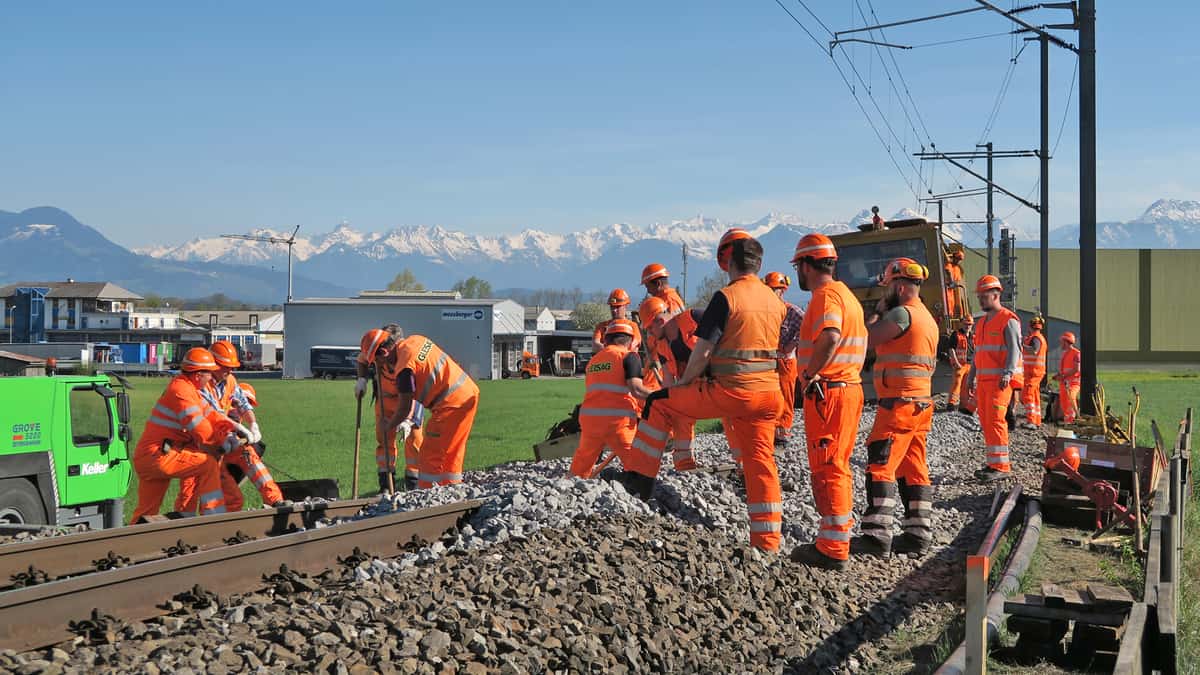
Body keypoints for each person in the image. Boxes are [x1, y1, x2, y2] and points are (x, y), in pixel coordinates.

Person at [631, 229, 786, 552]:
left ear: (728, 263)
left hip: (733, 390)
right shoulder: (774, 300)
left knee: (660, 403)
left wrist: (686, 382)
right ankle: (767, 542)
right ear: (759, 264)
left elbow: (702, 351)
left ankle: (638, 481)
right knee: (760, 462)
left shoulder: (726, 298)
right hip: (769, 393)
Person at [788, 233, 868, 570]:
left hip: (830, 391)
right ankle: (834, 537)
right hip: (846, 389)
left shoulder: (825, 296)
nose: (797, 275)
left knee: (829, 467)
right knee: (837, 464)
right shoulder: (846, 295)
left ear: (807, 265)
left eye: (798, 267)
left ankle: (833, 549)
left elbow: (831, 336)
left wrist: (808, 373)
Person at [852, 258, 938, 557]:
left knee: (881, 463)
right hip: (920, 404)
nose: (884, 292)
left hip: (899, 405)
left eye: (887, 286)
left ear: (900, 287)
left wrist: (876, 315)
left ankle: (876, 537)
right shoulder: (926, 316)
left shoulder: (901, 314)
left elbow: (865, 341)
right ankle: (918, 534)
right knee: (913, 468)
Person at [130, 348, 243, 523]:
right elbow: (200, 427)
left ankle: (130, 542)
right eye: (209, 373)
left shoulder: (187, 388)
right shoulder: (182, 391)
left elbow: (211, 415)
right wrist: (221, 442)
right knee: (208, 464)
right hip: (160, 456)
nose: (212, 377)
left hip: (149, 457)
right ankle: (214, 519)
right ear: (198, 375)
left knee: (147, 513)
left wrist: (233, 429)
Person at [361, 328, 481, 489]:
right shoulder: (415, 340)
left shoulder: (404, 369)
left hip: (450, 405)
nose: (378, 366)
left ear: (383, 352)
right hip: (467, 393)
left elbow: (404, 406)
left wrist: (389, 426)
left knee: (429, 455)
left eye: (377, 361)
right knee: (451, 453)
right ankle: (452, 490)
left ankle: (426, 497)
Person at [175, 341, 283, 511]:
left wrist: (253, 424)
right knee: (192, 492)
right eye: (226, 366)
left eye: (232, 367)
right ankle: (184, 526)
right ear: (213, 364)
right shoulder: (201, 385)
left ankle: (276, 500)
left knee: (249, 457)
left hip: (221, 440)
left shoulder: (230, 381)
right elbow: (213, 413)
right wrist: (235, 431)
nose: (230, 370)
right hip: (200, 445)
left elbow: (243, 405)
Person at [570, 320, 655, 478]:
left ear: (606, 339)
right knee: (636, 463)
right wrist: (661, 396)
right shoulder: (629, 357)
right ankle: (640, 492)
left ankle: (568, 489)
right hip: (617, 422)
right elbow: (636, 389)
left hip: (590, 421)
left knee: (582, 461)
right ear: (630, 341)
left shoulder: (593, 361)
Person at [967, 275, 1023, 483]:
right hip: (983, 382)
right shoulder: (981, 323)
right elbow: (978, 353)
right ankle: (993, 463)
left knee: (996, 421)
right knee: (987, 421)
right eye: (979, 296)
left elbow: (1014, 351)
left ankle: (1001, 466)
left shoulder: (1008, 320)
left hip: (999, 382)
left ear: (996, 295)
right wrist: (971, 376)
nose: (981, 300)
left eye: (985, 296)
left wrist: (1008, 373)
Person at [639, 296, 704, 471]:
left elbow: (726, 331)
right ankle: (684, 465)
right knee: (680, 413)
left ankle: (743, 465)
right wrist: (667, 403)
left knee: (733, 417)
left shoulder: (694, 317)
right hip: (693, 386)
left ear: (660, 320)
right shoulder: (662, 346)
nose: (650, 333)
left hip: (718, 378)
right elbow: (668, 380)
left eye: (650, 328)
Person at [354, 324, 409, 493]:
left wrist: (407, 419)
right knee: (384, 441)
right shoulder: (376, 349)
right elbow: (362, 360)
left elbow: (416, 392)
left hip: (408, 400)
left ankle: (413, 485)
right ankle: (386, 484)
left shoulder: (407, 355)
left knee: (414, 441)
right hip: (384, 401)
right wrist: (362, 380)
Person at [763, 272, 803, 446]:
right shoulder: (763, 311)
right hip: (768, 361)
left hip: (786, 361)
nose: (771, 293)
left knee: (786, 397)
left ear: (782, 291)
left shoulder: (792, 311)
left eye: (774, 290)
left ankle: (783, 432)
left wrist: (794, 343)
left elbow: (809, 326)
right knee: (769, 397)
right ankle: (771, 431)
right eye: (768, 290)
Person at [592, 289, 641, 353]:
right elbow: (595, 345)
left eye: (617, 307)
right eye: (612, 307)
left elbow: (634, 347)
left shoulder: (633, 326)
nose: (614, 310)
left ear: (625, 306)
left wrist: (610, 350)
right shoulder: (601, 326)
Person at [1021, 316, 1048, 428]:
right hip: (1034, 371)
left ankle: (1031, 421)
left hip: (1034, 372)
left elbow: (1034, 351)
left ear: (1030, 326)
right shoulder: (1038, 337)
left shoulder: (1036, 338)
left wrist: (1021, 345)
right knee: (1034, 395)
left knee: (1027, 394)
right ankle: (1036, 420)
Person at [1054, 331, 1081, 423]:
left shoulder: (1076, 353)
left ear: (1066, 341)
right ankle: (1068, 422)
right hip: (1064, 383)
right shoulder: (1065, 354)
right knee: (1064, 403)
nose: (1060, 343)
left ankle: (1073, 421)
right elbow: (1065, 369)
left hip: (1073, 383)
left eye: (1062, 341)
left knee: (1071, 399)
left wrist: (1062, 376)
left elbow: (1076, 369)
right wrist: (1058, 375)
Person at [947, 315, 973, 412]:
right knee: (957, 383)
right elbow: (951, 349)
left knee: (966, 386)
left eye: (969, 324)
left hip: (969, 365)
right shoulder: (956, 334)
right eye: (966, 324)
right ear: (962, 324)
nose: (968, 326)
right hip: (960, 364)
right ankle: (951, 403)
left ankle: (963, 405)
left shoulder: (972, 336)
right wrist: (956, 362)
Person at [944, 249, 966, 321]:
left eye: (960, 259)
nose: (959, 261)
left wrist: (953, 283)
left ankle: (953, 317)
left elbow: (958, 280)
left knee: (952, 305)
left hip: (952, 290)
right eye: (958, 259)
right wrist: (951, 282)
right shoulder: (949, 264)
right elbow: (948, 271)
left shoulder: (958, 269)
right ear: (954, 257)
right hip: (946, 289)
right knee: (948, 304)